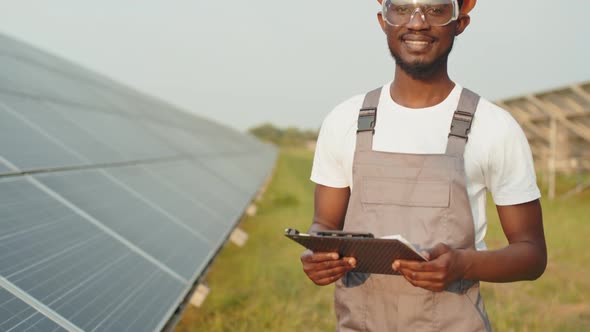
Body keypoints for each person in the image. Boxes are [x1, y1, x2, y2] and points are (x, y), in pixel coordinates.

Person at [299, 0, 547, 331]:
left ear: (460, 23)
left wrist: (463, 265)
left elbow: (532, 255)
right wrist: (318, 257)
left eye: (436, 9)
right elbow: (323, 224)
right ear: (382, 21)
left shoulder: (494, 126)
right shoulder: (344, 120)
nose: (417, 22)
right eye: (401, 8)